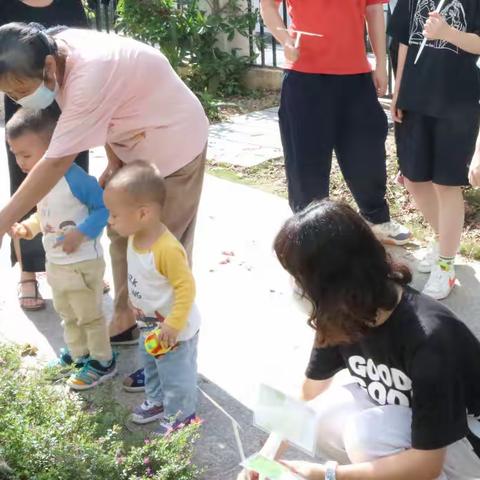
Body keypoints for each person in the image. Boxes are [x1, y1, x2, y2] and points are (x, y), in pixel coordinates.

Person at [0, 22, 208, 388]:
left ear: (48, 66)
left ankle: (166, 358)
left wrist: (4, 220)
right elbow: (117, 106)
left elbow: (54, 162)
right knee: (121, 237)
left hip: (174, 148)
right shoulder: (54, 49)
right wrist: (114, 160)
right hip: (135, 148)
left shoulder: (88, 74)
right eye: (9, 92)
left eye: (21, 88)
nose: (18, 98)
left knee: (159, 258)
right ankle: (127, 321)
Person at [238, 200, 480, 480]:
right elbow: (309, 392)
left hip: (467, 445)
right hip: (418, 424)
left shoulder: (429, 339)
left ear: (334, 282)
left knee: (366, 435)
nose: (295, 289)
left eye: (299, 278)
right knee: (323, 414)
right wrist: (266, 456)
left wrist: (329, 474)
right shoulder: (343, 316)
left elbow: (427, 465)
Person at [260, 0, 411, 246]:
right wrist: (285, 40)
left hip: (356, 76)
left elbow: (373, 11)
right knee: (305, 163)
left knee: (366, 154)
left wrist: (381, 64)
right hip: (305, 77)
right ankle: (308, 236)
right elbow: (267, 7)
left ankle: (376, 219)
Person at [6, 107, 116, 390]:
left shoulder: (74, 178)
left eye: (26, 155)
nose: (19, 162)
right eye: (14, 154)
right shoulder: (39, 183)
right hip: (56, 264)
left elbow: (104, 207)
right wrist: (28, 228)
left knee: (89, 315)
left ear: (52, 148)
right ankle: (79, 356)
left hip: (82, 263)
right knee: (67, 313)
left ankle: (103, 361)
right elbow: (46, 214)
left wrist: (82, 232)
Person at [0, 0, 90, 311]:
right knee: (27, 181)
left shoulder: (70, 3)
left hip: (68, 104)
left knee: (76, 183)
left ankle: (82, 259)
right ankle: (28, 271)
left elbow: (80, 50)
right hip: (23, 108)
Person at [389, 0, 480, 299]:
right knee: (414, 179)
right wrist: (398, 89)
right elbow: (403, 40)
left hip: (458, 104)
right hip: (415, 99)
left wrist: (448, 32)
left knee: (446, 185)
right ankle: (445, 241)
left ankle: (446, 265)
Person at [103, 161, 200, 434]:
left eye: (114, 215)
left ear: (143, 213)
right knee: (152, 366)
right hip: (149, 326)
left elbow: (186, 288)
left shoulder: (167, 249)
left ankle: (182, 415)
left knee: (176, 375)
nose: (110, 220)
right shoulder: (135, 238)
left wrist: (173, 324)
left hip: (174, 332)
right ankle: (157, 401)